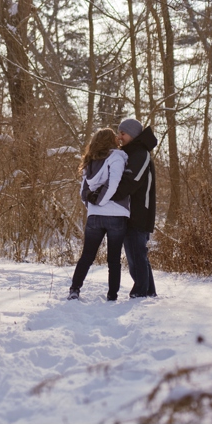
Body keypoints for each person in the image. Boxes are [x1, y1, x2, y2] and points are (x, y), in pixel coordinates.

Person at [68, 128, 129, 301]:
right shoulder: (116, 157)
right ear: (112, 141)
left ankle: (74, 289)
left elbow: (83, 191)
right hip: (116, 214)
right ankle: (112, 295)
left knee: (87, 255)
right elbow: (114, 183)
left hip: (95, 215)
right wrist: (101, 203)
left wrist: (93, 206)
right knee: (113, 259)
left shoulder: (90, 160)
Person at [112, 118, 157, 298]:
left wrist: (106, 195)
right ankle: (148, 291)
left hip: (139, 213)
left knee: (136, 256)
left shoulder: (140, 154)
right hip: (131, 213)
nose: (119, 137)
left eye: (123, 133)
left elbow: (131, 182)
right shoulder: (132, 153)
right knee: (137, 256)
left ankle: (140, 292)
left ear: (133, 134)